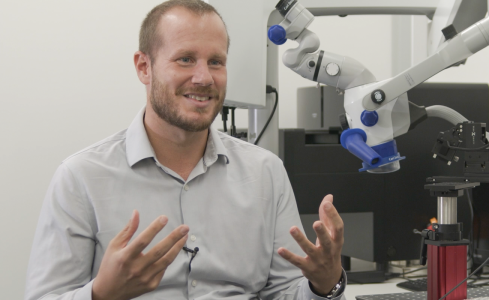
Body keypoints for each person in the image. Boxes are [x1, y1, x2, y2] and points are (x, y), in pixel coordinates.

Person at [25, 1, 346, 299]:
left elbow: (285, 291)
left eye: (216, 62)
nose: (204, 77)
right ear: (143, 67)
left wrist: (325, 284)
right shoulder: (81, 177)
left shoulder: (266, 173)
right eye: (185, 59)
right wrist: (100, 293)